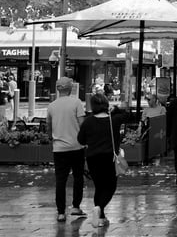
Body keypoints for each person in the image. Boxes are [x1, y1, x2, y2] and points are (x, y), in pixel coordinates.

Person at [77, 94, 127, 228]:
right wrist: (115, 109)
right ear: (106, 105)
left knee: (99, 187)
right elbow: (127, 114)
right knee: (110, 187)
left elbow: (81, 140)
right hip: (109, 158)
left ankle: (101, 217)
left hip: (93, 158)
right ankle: (99, 208)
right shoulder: (114, 120)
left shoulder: (88, 121)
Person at [46, 77, 86, 222]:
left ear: (58, 89)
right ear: (70, 89)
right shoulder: (76, 103)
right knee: (78, 178)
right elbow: (82, 124)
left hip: (59, 148)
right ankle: (76, 206)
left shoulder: (51, 106)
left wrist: (52, 138)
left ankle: (61, 212)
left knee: (60, 180)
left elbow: (48, 127)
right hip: (76, 147)